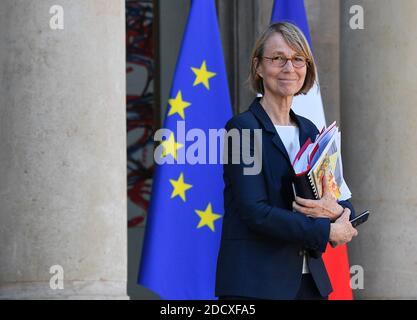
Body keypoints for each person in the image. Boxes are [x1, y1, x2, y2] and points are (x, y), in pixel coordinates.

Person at [215, 22, 358, 300]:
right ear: (258, 66)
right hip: (257, 284)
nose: (289, 68)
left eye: (297, 59)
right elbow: (254, 211)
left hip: (310, 283)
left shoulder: (311, 131)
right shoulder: (242, 129)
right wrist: (325, 230)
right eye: (277, 58)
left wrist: (340, 214)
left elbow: (340, 197)